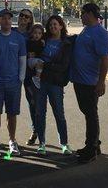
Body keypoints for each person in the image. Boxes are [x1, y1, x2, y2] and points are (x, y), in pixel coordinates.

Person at [0, 9, 27, 157]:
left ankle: (12, 141)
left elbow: (22, 60)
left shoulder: (18, 38)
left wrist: (20, 79)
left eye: (9, 18)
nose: (7, 21)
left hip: (13, 83)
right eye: (4, 18)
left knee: (12, 113)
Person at [70, 3, 108, 163]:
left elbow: (105, 58)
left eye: (82, 13)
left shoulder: (101, 33)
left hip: (90, 82)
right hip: (80, 79)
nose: (80, 16)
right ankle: (95, 144)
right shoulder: (87, 29)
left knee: (91, 114)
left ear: (89, 14)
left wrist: (101, 82)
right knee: (88, 112)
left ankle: (91, 149)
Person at [34, 15, 74, 156]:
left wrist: (46, 64)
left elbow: (63, 66)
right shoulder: (43, 40)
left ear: (61, 26)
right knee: (40, 114)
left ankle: (64, 143)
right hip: (40, 82)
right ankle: (42, 144)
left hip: (55, 83)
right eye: (50, 25)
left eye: (55, 24)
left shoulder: (66, 44)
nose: (53, 27)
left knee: (59, 113)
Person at [13, 9, 39, 146]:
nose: (23, 18)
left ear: (30, 19)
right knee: (11, 105)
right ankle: (10, 137)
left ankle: (36, 130)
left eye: (27, 16)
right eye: (21, 15)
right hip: (12, 71)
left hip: (29, 72)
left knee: (32, 102)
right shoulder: (12, 31)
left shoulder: (33, 34)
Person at [26, 24, 45, 89]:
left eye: (39, 33)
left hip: (35, 61)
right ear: (32, 33)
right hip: (30, 61)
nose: (37, 35)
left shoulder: (41, 42)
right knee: (40, 62)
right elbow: (35, 51)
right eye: (35, 33)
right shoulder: (30, 42)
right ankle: (37, 77)